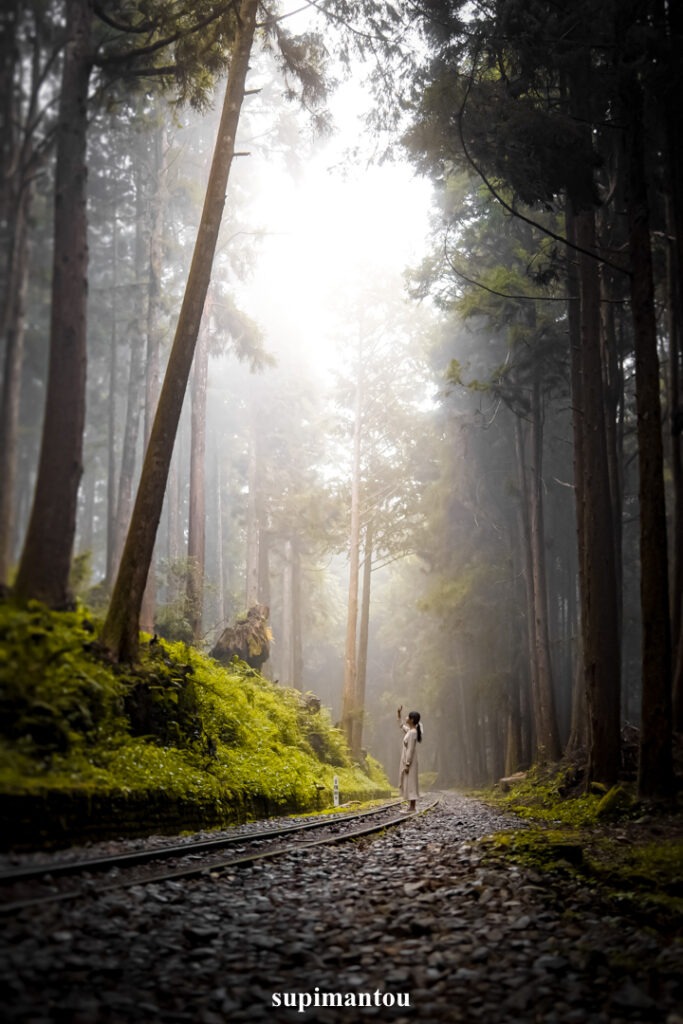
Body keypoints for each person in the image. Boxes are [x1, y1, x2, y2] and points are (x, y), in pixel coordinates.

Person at [396, 705, 422, 812]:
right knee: (408, 782)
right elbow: (402, 726)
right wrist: (399, 714)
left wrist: (407, 763)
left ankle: (412, 807)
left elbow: (410, 749)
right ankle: (411, 806)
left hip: (410, 761)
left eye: (407, 716)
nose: (406, 718)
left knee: (411, 782)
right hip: (408, 760)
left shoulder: (413, 733)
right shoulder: (411, 731)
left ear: (411, 720)